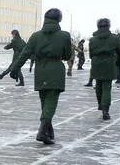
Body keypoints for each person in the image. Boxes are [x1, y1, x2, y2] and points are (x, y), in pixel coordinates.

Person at [9, 8, 73, 145]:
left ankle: (48, 131)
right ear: (59, 19)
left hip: (40, 70)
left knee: (45, 101)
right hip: (56, 70)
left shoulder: (35, 36)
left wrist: (14, 69)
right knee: (51, 102)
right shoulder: (64, 36)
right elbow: (67, 55)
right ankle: (42, 131)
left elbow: (24, 54)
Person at [88, 18, 120, 120]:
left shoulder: (92, 39)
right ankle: (105, 110)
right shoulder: (114, 38)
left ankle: (100, 104)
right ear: (109, 26)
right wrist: (118, 62)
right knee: (107, 87)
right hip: (109, 63)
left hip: (96, 63)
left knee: (98, 85)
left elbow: (91, 54)